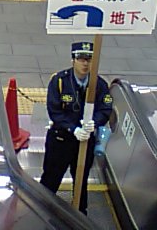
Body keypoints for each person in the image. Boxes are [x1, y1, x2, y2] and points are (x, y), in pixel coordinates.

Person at [40, 41, 113, 215]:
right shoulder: (59, 81)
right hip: (61, 140)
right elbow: (54, 111)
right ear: (73, 60)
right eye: (81, 59)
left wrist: (95, 122)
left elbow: (105, 108)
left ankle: (80, 214)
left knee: (81, 179)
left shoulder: (100, 84)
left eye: (89, 59)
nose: (85, 63)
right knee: (51, 178)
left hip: (85, 142)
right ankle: (41, 211)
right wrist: (73, 129)